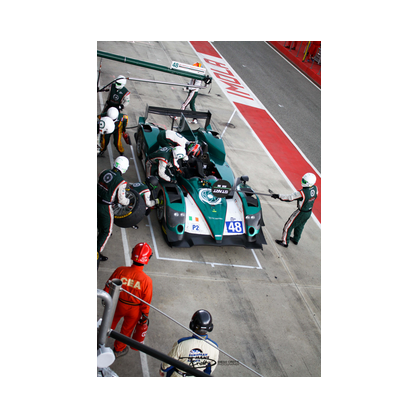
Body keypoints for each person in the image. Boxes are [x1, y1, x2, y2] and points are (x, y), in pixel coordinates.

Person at [104, 242, 153, 358]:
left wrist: (105, 298)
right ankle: (118, 350)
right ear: (148, 259)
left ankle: (101, 340)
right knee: (126, 331)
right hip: (134, 310)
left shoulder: (120, 270)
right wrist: (145, 316)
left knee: (109, 323)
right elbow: (146, 302)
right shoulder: (147, 281)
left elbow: (108, 285)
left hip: (118, 304)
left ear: (132, 254)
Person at [159, 310, 219, 377]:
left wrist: (162, 369)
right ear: (210, 327)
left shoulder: (182, 343)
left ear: (192, 325)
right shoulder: (214, 347)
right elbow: (209, 369)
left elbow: (170, 361)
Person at [271, 173, 318, 247]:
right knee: (300, 226)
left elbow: (290, 198)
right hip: (309, 212)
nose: (302, 182)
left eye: (304, 181)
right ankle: (296, 239)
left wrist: (278, 196)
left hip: (301, 212)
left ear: (308, 183)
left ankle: (285, 242)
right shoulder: (315, 188)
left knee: (288, 226)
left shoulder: (302, 193)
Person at [97, 156, 130, 261]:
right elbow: (121, 200)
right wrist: (129, 202)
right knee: (106, 231)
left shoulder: (104, 171)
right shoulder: (121, 182)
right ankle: (97, 252)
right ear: (124, 168)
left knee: (100, 225)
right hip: (105, 207)